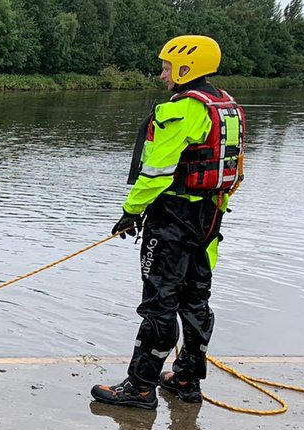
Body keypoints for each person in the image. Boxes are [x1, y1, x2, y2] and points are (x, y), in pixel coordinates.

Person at [92, 35, 245, 410]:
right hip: (210, 219)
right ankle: (186, 379)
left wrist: (131, 211)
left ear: (186, 67)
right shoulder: (227, 106)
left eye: (166, 67)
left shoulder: (179, 111)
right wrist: (211, 209)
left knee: (159, 302)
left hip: (174, 219)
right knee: (196, 301)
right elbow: (236, 171)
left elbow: (157, 172)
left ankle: (141, 387)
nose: (162, 75)